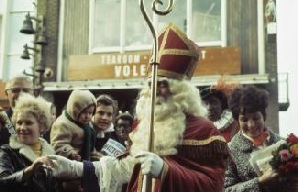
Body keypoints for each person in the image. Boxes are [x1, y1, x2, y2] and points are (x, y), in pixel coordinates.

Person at [49, 23, 229, 192]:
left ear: (181, 90)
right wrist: (75, 168)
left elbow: (213, 185)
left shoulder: (204, 131)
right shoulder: (145, 125)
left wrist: (166, 171)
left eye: (163, 84)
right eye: (151, 83)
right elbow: (124, 169)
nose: (155, 91)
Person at [224, 85, 283, 192]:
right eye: (244, 119)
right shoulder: (229, 151)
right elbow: (225, 189)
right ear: (237, 121)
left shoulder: (283, 143)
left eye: (256, 118)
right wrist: (259, 182)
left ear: (264, 116)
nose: (251, 125)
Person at [0, 93, 57, 192]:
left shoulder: (51, 153)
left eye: (28, 123)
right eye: (19, 122)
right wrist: (30, 170)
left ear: (42, 126)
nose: (22, 128)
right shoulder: (7, 152)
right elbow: (2, 184)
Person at [50, 89, 97, 192]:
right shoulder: (62, 124)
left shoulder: (87, 124)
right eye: (84, 112)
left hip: (85, 164)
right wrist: (70, 152)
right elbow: (58, 144)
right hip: (69, 165)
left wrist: (94, 153)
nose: (88, 116)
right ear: (74, 109)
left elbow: (90, 141)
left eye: (90, 113)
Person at [201, 77, 239, 142]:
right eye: (206, 103)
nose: (209, 108)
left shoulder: (236, 125)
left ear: (222, 105)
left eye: (213, 102)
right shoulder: (198, 127)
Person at [0, 76, 34, 145]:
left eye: (25, 90)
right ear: (7, 93)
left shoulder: (42, 120)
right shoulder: (1, 120)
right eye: (15, 90)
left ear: (32, 93)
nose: (21, 94)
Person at [92, 94, 120, 159]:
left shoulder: (115, 137)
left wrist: (105, 160)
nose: (105, 118)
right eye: (101, 113)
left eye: (109, 114)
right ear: (93, 113)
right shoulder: (82, 133)